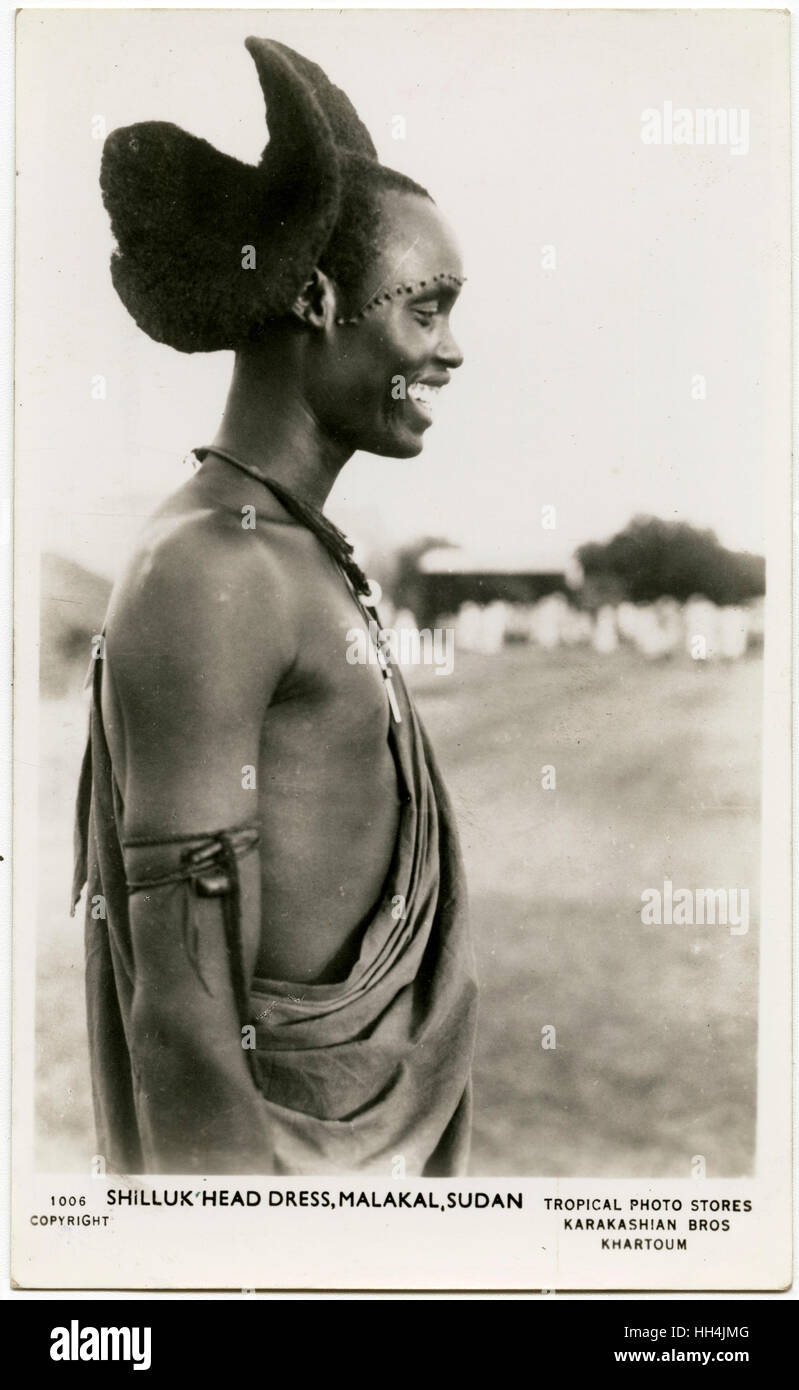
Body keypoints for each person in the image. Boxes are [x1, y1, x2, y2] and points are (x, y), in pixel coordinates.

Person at [72, 36, 478, 1176]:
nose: (452, 351)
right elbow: (185, 1020)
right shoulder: (214, 565)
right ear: (316, 296)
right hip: (286, 1203)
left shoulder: (293, 549)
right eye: (428, 310)